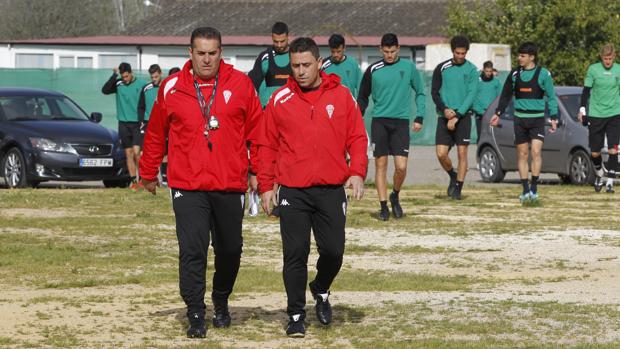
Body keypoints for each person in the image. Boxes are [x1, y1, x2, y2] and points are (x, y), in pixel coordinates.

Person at [139, 27, 262, 338]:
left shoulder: (241, 84)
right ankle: (195, 311)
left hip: (229, 183)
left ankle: (220, 299)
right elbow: (155, 133)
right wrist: (149, 171)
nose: (207, 59)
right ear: (189, 53)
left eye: (213, 53)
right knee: (193, 249)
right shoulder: (170, 88)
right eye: (201, 53)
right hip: (188, 184)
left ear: (221, 52)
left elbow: (257, 133)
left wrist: (258, 172)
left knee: (230, 249)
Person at [257, 37, 368, 338]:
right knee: (295, 252)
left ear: (320, 63)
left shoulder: (342, 96)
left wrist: (357, 172)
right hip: (293, 191)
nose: (301, 71)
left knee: (333, 251)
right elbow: (265, 145)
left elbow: (357, 138)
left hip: (331, 189)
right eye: (295, 66)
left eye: (307, 65)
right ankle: (295, 315)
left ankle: (320, 288)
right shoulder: (279, 100)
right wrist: (266, 186)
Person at [357, 33, 426, 221]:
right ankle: (383, 206)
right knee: (381, 164)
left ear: (398, 49)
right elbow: (363, 96)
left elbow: (420, 92)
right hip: (379, 121)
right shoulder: (373, 70)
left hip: (401, 122)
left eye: (392, 51)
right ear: (381, 50)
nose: (389, 55)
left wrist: (419, 116)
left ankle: (395, 194)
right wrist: (357, 116)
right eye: (386, 51)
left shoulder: (409, 67)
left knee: (401, 167)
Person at [491, 42, 558, 203]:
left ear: (531, 57)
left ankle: (534, 189)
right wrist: (498, 113)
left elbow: (552, 96)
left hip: (537, 119)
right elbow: (505, 95)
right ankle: (525, 190)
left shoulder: (544, 74)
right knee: (522, 154)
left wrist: (554, 117)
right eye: (518, 55)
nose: (519, 58)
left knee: (535, 152)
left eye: (522, 56)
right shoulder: (514, 74)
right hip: (519, 120)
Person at [431, 35, 478, 201]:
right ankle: (453, 175)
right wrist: (444, 110)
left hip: (463, 117)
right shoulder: (441, 68)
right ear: (452, 51)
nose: (460, 56)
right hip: (444, 116)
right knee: (441, 154)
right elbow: (434, 92)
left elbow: (471, 95)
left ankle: (458, 188)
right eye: (458, 53)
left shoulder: (472, 70)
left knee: (462, 153)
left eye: (463, 53)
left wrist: (457, 115)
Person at [578, 43, 620, 193]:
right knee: (595, 152)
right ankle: (599, 174)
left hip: (615, 114)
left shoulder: (618, 70)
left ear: (614, 57)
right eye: (605, 58)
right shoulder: (593, 69)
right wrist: (582, 110)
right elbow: (586, 91)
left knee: (613, 149)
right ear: (601, 57)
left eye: (610, 58)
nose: (607, 61)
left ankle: (610, 182)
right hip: (596, 114)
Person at [101, 62, 143, 190]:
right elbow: (105, 90)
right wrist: (114, 75)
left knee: (137, 153)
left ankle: (142, 179)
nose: (124, 79)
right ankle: (134, 182)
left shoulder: (141, 84)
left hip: (137, 123)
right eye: (122, 76)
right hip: (123, 124)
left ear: (131, 73)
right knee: (128, 153)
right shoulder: (118, 83)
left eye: (126, 76)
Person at [248, 21, 291, 107]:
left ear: (288, 37)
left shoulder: (296, 56)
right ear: (271, 37)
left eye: (282, 41)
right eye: (276, 41)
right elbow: (252, 85)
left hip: (291, 109)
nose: (279, 45)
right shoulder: (265, 57)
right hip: (268, 110)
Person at [159, 66, 181, 186]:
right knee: (166, 153)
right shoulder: (166, 90)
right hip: (168, 127)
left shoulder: (188, 89)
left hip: (181, 130)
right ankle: (165, 178)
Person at [321, 34, 363, 98]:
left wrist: (359, 105)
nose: (335, 55)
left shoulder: (353, 64)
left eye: (338, 52)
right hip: (330, 106)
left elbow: (361, 88)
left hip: (348, 105)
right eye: (333, 52)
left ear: (344, 48)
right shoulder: (323, 65)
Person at [472, 61, 501, 143]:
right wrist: (482, 112)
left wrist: (495, 112)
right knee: (481, 138)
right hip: (480, 115)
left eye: (490, 71)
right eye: (487, 71)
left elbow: (500, 98)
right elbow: (473, 99)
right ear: (483, 70)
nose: (488, 73)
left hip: (493, 116)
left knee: (493, 139)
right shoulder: (477, 82)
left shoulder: (496, 82)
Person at [137, 64, 162, 148]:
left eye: (156, 77)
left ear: (161, 74)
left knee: (162, 151)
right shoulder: (146, 88)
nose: (154, 79)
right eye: (152, 77)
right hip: (148, 123)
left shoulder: (166, 87)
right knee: (144, 151)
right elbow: (141, 107)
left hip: (162, 123)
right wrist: (141, 122)